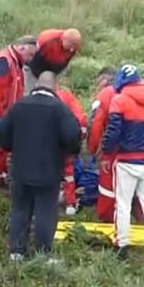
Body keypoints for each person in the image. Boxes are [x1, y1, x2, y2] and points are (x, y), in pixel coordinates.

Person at [0, 71, 82, 261]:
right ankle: (42, 254)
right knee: (45, 211)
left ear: (36, 86)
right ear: (54, 86)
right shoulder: (59, 109)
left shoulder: (19, 106)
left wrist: (11, 146)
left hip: (20, 170)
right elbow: (73, 136)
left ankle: (16, 252)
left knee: (20, 209)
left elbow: (0, 132)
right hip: (48, 171)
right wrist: (66, 152)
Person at [101, 64, 144, 258]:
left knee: (122, 204)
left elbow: (113, 131)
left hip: (126, 160)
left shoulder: (119, 101)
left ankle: (121, 246)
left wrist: (106, 154)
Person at [0, 36, 38, 186]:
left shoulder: (15, 63)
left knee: (2, 143)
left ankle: (0, 174)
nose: (30, 59)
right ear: (21, 48)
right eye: (29, 55)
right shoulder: (4, 61)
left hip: (5, 112)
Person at [87, 66, 118, 222]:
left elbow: (96, 124)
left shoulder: (105, 94)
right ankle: (141, 218)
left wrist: (92, 149)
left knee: (108, 186)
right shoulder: (132, 91)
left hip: (110, 149)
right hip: (141, 150)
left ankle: (106, 218)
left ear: (104, 80)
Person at [54, 85, 88, 216]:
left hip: (51, 142)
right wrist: (79, 143)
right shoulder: (68, 99)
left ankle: (51, 200)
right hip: (68, 141)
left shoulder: (50, 99)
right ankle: (70, 203)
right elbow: (81, 121)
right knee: (69, 174)